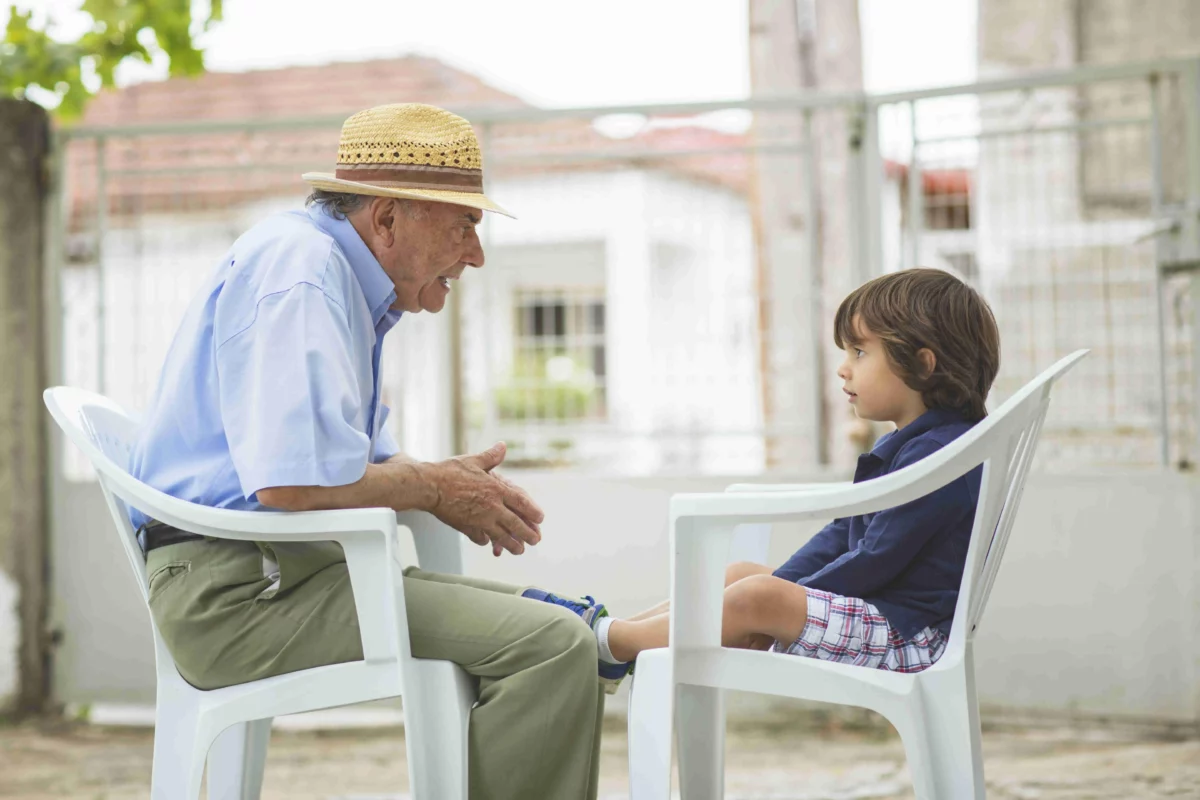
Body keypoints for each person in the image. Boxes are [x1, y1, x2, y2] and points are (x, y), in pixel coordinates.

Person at [128, 103, 607, 800]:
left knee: (564, 628)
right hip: (241, 595)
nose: (475, 253)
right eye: (465, 223)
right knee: (551, 648)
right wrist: (433, 488)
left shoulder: (332, 274)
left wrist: (438, 482)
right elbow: (292, 487)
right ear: (387, 219)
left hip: (288, 575)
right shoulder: (303, 270)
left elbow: (354, 471)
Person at [555, 268, 1002, 679]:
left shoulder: (942, 455)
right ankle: (623, 636)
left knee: (758, 598)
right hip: (880, 615)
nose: (844, 367)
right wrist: (781, 592)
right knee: (742, 576)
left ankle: (612, 642)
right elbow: (842, 534)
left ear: (922, 364)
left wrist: (776, 611)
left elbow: (874, 558)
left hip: (911, 636)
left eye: (861, 352)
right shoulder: (913, 444)